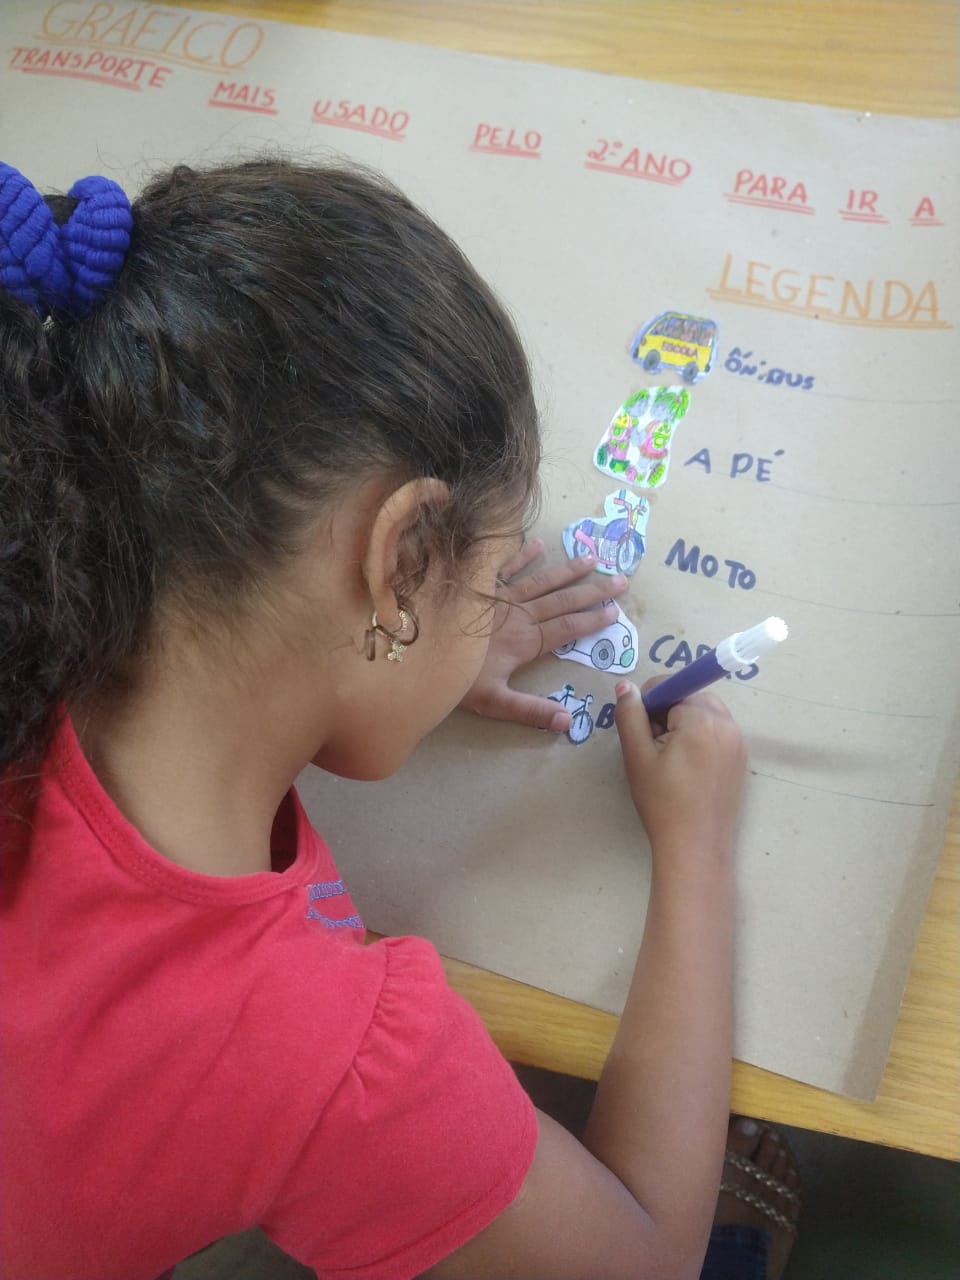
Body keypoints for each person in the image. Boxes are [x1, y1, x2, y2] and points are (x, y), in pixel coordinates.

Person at [0, 156, 800, 1280]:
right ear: (401, 561)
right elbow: (648, 1257)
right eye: (488, 579)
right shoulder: (324, 1055)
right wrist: (697, 852)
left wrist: (393, 651)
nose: (494, 613)